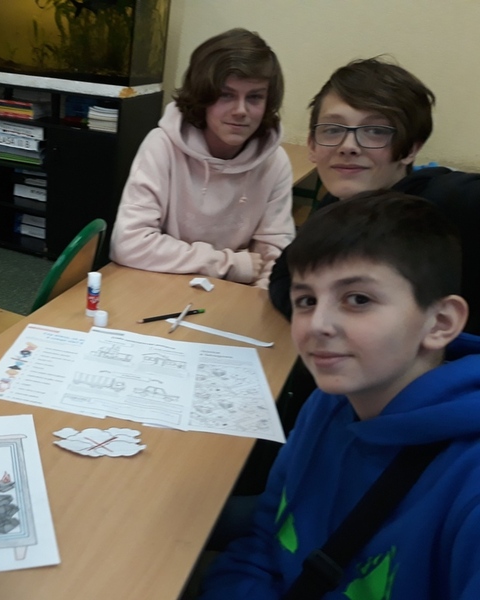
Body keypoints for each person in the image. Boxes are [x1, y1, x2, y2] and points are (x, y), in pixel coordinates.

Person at [201, 191, 480, 598]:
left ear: (440, 322)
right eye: (306, 300)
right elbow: (263, 543)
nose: (318, 324)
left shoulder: (468, 484)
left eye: (358, 299)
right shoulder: (331, 399)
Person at [270, 57, 480, 334]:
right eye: (333, 129)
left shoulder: (446, 199)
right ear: (312, 145)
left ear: (410, 149)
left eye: (375, 131)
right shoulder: (338, 206)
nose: (348, 146)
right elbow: (284, 277)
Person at [110, 28, 295, 288]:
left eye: (255, 97)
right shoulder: (162, 146)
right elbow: (128, 243)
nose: (241, 110)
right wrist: (229, 264)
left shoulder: (275, 161)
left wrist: (258, 300)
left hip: (233, 294)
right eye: (226, 95)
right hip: (162, 284)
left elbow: (276, 257)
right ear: (202, 96)